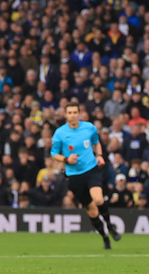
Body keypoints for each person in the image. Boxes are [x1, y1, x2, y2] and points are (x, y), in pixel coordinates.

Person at [51, 102, 121, 249]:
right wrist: (66, 159)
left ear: (79, 114)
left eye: (75, 112)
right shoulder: (60, 133)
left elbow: (96, 142)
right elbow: (54, 154)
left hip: (91, 169)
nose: (72, 115)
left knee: (99, 199)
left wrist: (100, 155)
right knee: (93, 212)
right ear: (66, 114)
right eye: (69, 113)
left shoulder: (89, 127)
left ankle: (110, 225)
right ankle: (104, 237)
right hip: (74, 176)